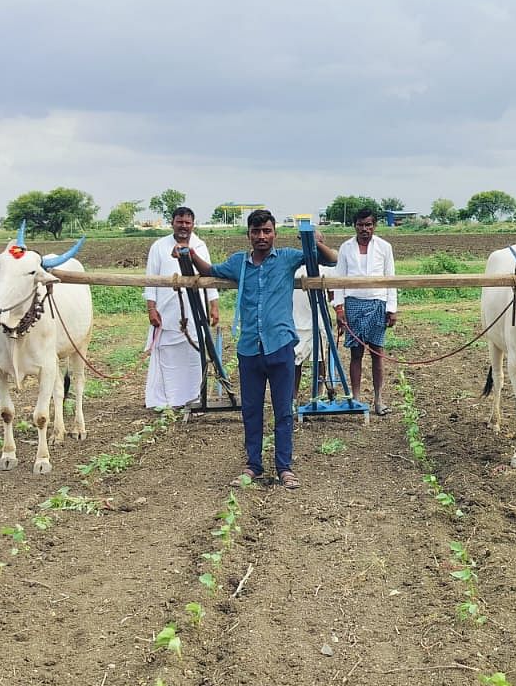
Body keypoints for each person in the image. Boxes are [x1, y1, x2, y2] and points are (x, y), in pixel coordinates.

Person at [180, 209, 338, 489]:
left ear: (274, 233)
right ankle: (253, 465)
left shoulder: (288, 258)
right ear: (248, 235)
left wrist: (314, 241)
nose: (261, 237)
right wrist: (189, 255)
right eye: (256, 232)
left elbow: (331, 260)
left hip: (280, 345)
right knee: (252, 410)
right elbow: (209, 271)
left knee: (283, 410)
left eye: (266, 231)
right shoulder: (239, 263)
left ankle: (284, 467)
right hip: (250, 348)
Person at [143, 206, 220, 409]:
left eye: (187, 223)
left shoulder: (200, 246)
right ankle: (166, 402)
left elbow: (209, 278)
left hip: (196, 313)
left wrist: (214, 306)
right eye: (180, 222)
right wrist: (151, 309)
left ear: (193, 224)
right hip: (167, 312)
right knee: (168, 355)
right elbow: (150, 282)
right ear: (173, 223)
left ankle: (194, 399)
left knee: (195, 356)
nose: (183, 226)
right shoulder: (159, 247)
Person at [331, 207, 398, 415]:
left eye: (368, 225)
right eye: (360, 225)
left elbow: (391, 279)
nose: (364, 229)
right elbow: (339, 280)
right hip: (353, 305)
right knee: (356, 354)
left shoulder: (384, 247)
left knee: (377, 353)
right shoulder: (345, 248)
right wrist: (339, 309)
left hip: (378, 303)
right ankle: (357, 400)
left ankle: (378, 400)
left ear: (374, 226)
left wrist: (391, 308)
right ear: (355, 226)